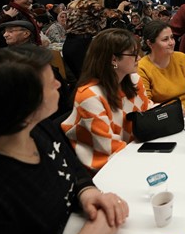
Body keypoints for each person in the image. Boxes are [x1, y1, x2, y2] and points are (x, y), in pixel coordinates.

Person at [0, 46, 128, 234]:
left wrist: (87, 193)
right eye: (49, 82)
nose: (58, 84)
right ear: (22, 104)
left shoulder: (38, 127)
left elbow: (72, 167)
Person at [62, 28, 150, 174]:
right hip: (106, 168)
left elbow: (147, 112)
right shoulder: (89, 95)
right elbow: (109, 146)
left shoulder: (134, 80)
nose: (139, 58)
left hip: (133, 152)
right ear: (114, 60)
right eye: (134, 54)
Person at [138, 21, 185, 112]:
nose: (171, 43)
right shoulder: (142, 67)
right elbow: (146, 102)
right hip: (163, 116)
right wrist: (172, 111)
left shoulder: (182, 58)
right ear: (149, 43)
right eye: (165, 39)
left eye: (172, 37)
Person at [63, 0, 119, 80]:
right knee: (87, 80)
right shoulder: (92, 6)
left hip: (68, 44)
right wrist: (122, 5)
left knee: (79, 79)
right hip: (81, 46)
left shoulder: (73, 4)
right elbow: (114, 15)